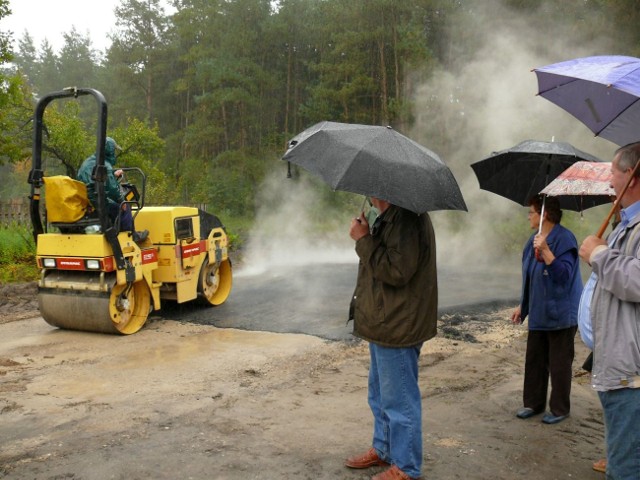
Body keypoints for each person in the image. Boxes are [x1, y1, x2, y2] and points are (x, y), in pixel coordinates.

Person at [344, 196, 437, 480]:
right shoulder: (391, 217)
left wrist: (363, 240)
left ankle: (406, 466)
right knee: (380, 394)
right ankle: (384, 449)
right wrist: (368, 234)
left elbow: (397, 271)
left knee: (400, 400)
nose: (369, 194)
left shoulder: (407, 219)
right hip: (385, 322)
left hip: (398, 325)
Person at [578, 141, 640, 480]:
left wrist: (600, 255)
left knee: (626, 471)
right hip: (618, 368)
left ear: (631, 175)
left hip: (631, 374)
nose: (609, 181)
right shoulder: (626, 224)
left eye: (614, 173)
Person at [510, 195, 582, 425]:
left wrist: (548, 252)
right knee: (535, 359)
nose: (529, 217)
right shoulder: (533, 240)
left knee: (559, 363)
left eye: (531, 212)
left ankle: (560, 409)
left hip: (561, 312)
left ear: (545, 215)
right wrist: (524, 305)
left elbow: (564, 275)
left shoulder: (565, 239)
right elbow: (530, 277)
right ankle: (533, 403)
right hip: (540, 311)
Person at [77, 137, 147, 242]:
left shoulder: (88, 162)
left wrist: (113, 175)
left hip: (88, 199)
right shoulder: (105, 164)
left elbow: (96, 181)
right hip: (98, 201)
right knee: (124, 205)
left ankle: (116, 228)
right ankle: (131, 235)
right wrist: (121, 200)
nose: (114, 152)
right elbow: (112, 188)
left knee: (115, 204)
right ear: (109, 150)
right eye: (114, 150)